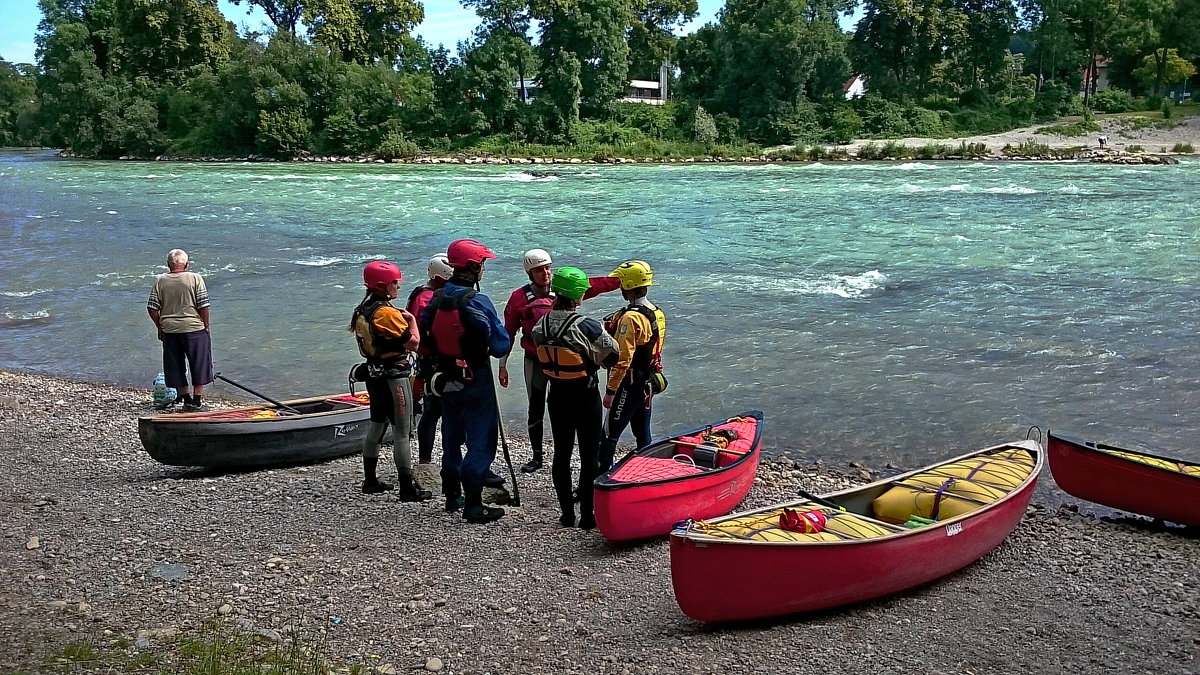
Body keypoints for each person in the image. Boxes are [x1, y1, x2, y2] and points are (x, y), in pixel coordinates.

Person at [499, 249, 620, 474]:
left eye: (547, 268)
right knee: (535, 406)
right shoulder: (518, 298)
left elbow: (592, 286)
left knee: (562, 405)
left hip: (563, 364)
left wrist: (620, 281)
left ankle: (567, 449)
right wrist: (503, 365)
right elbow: (509, 332)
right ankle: (537, 456)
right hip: (535, 361)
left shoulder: (563, 290)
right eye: (539, 270)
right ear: (529, 273)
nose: (545, 273)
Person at [419, 238, 511, 524]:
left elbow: (424, 337)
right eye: (481, 263)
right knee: (481, 439)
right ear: (472, 267)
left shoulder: (435, 300)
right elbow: (500, 345)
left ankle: (452, 495)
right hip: (475, 378)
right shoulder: (478, 301)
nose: (483, 268)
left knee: (451, 435)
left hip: (445, 377)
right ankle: (473, 505)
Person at [531, 267, 619, 529]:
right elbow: (612, 356)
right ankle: (587, 517)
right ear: (579, 294)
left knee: (562, 453)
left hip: (556, 396)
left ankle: (567, 514)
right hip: (585, 396)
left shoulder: (540, 325)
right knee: (589, 455)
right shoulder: (587, 324)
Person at [349, 260, 432, 501]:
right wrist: (413, 321)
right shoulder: (386, 313)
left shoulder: (362, 309)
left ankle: (371, 480)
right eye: (395, 283)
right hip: (394, 376)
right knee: (402, 431)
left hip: (373, 375)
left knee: (377, 424)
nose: (398, 286)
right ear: (384, 285)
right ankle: (407, 488)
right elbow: (414, 343)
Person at [599, 260, 667, 473]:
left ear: (627, 285)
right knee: (642, 433)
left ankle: (599, 479)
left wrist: (610, 391)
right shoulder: (656, 312)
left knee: (609, 435)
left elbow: (622, 359)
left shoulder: (630, 318)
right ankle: (646, 474)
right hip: (646, 383)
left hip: (627, 384)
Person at [146, 249, 213, 412]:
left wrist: (160, 326)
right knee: (199, 362)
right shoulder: (195, 278)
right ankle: (196, 400)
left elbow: (152, 308)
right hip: (194, 328)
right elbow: (203, 305)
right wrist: (206, 325)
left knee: (175, 365)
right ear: (187, 264)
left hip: (170, 330)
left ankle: (186, 398)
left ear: (168, 265)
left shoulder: (160, 281)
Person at [406, 253, 453, 464]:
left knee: (433, 410)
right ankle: (429, 459)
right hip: (433, 361)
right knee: (435, 410)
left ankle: (429, 458)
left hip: (427, 361)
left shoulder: (422, 294)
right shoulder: (427, 298)